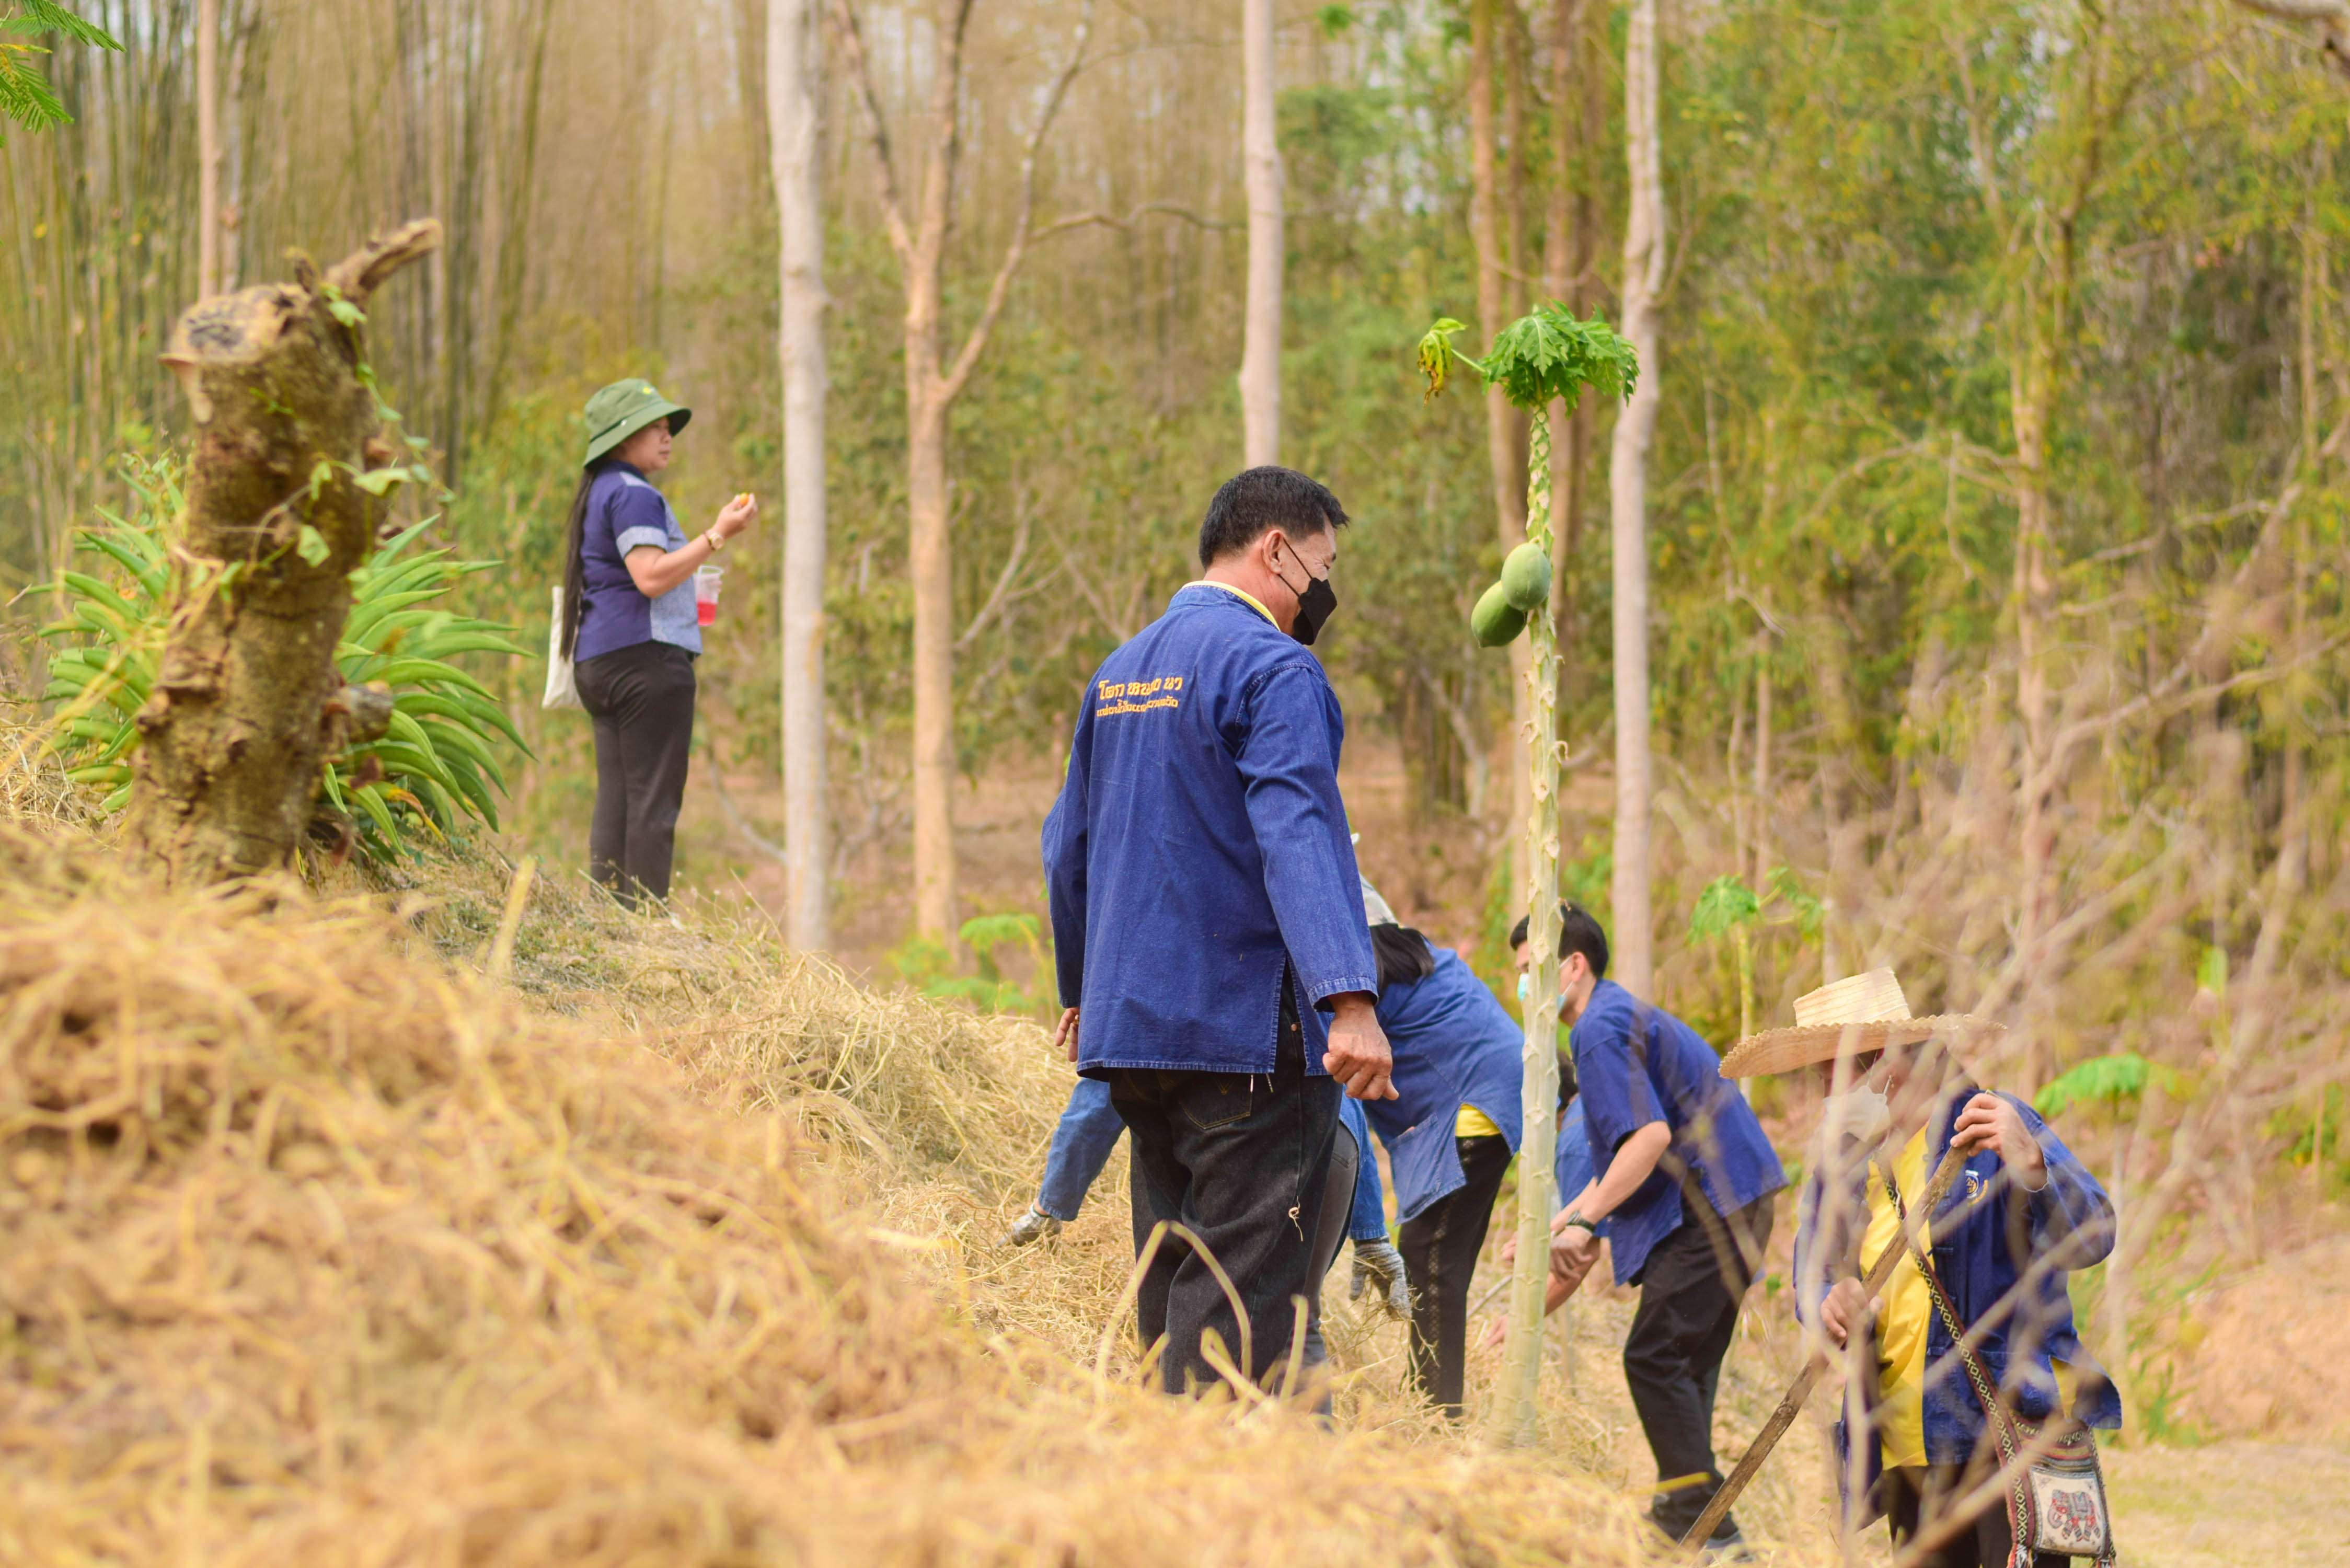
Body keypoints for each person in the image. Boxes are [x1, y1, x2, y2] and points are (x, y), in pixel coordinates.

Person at [1039, 466, 1393, 1398]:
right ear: (1276, 550)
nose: (1324, 590)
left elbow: (1066, 849)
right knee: (1241, 1308)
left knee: (1168, 1277)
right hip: (1243, 1035)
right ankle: (1218, 1503)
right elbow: (1300, 833)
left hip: (1134, 1039)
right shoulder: (1275, 667)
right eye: (1323, 565)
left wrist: (1082, 991)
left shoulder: (1117, 675)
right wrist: (1347, 998)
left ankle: (1162, 1489)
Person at [1719, 970, 2120, 1568]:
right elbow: (1812, 1272)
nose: (1823, 1095)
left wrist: (2033, 1161)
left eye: (1828, 1075)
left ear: (1880, 1061)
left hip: (2002, 1436)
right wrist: (1828, 1300)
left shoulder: (1991, 1125)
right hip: (1905, 1448)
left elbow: (2094, 1234)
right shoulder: (1843, 1165)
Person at [1536, 905, 1788, 1555]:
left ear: (1571, 964)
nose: (1523, 984)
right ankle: (1678, 1521)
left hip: (1715, 1202)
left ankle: (1717, 1537)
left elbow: (1646, 1139)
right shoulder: (1618, 1014)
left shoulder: (1595, 1028)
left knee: (1651, 1359)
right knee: (1688, 1368)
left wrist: (1585, 1222)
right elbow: (1629, 1153)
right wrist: (1557, 1223)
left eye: (1528, 967)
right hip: (1742, 1195)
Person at [558, 377, 757, 907]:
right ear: (622, 437)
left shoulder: (599, 490)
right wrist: (716, 536)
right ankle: (642, 922)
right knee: (653, 802)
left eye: (668, 429)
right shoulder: (634, 495)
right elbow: (648, 576)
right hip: (644, 664)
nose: (667, 438)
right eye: (655, 428)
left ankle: (606, 919)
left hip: (599, 661)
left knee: (619, 798)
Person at [1001, 1073, 1412, 1322]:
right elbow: (1345, 1101)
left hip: (1251, 1128)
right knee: (1296, 1321)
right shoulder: (1309, 962)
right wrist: (1372, 1232)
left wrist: (1050, 1206)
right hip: (1333, 1131)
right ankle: (1297, 1459)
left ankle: (1217, 1447)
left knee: (1205, 1317)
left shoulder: (1147, 963)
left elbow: (1098, 1099)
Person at [1353, 884, 1525, 1419]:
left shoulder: (1360, 980)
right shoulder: (1415, 954)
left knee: (1429, 1263)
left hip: (1471, 1109)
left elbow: (1344, 1102)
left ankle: (1435, 1414)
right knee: (1440, 1263)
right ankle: (1430, 1398)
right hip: (1499, 1102)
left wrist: (1365, 1228)